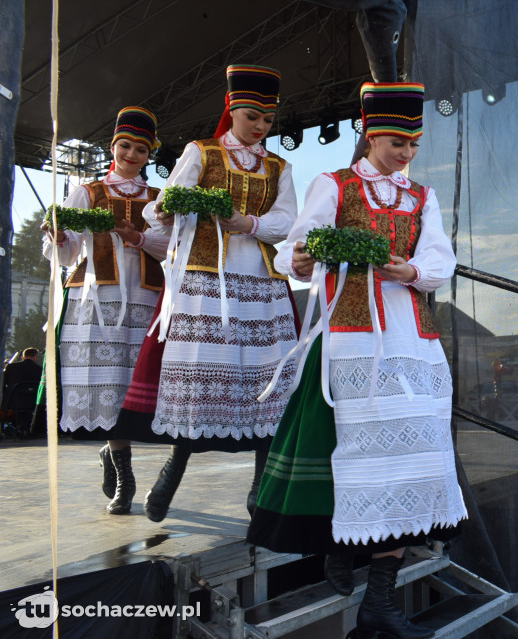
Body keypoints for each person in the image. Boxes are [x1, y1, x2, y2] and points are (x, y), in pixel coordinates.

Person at [248, 82, 466, 639]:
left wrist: (412, 272)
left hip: (408, 338)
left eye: (413, 143)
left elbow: (440, 257)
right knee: (348, 455)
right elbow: (299, 249)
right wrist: (300, 256)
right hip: (347, 336)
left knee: (406, 459)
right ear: (371, 134)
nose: (406, 153)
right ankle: (341, 551)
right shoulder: (335, 184)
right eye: (397, 141)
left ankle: (380, 601)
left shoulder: (422, 196)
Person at [115, 65, 298, 522]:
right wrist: (180, 206)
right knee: (201, 377)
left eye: (267, 120)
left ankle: (260, 483)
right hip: (203, 276)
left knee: (265, 379)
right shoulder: (202, 151)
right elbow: (160, 209)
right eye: (252, 115)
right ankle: (173, 468)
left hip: (261, 279)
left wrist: (248, 223)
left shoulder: (279, 166)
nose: (259, 126)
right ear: (232, 110)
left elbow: (288, 221)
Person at [40, 107, 168, 514]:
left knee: (131, 386)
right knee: (109, 383)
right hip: (96, 300)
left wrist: (138, 238)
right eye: (124, 145)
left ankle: (113, 458)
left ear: (150, 155)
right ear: (113, 147)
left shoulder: (157, 198)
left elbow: (171, 249)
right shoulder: (88, 192)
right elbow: (67, 254)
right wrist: (60, 237)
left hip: (145, 298)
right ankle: (125, 478)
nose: (131, 154)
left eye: (140, 149)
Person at [1, 348, 43, 437]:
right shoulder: (40, 369)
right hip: (32, 403)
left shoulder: (11, 367)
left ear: (23, 357)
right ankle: (26, 428)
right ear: (35, 357)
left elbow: (4, 383)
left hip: (12, 402)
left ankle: (15, 427)